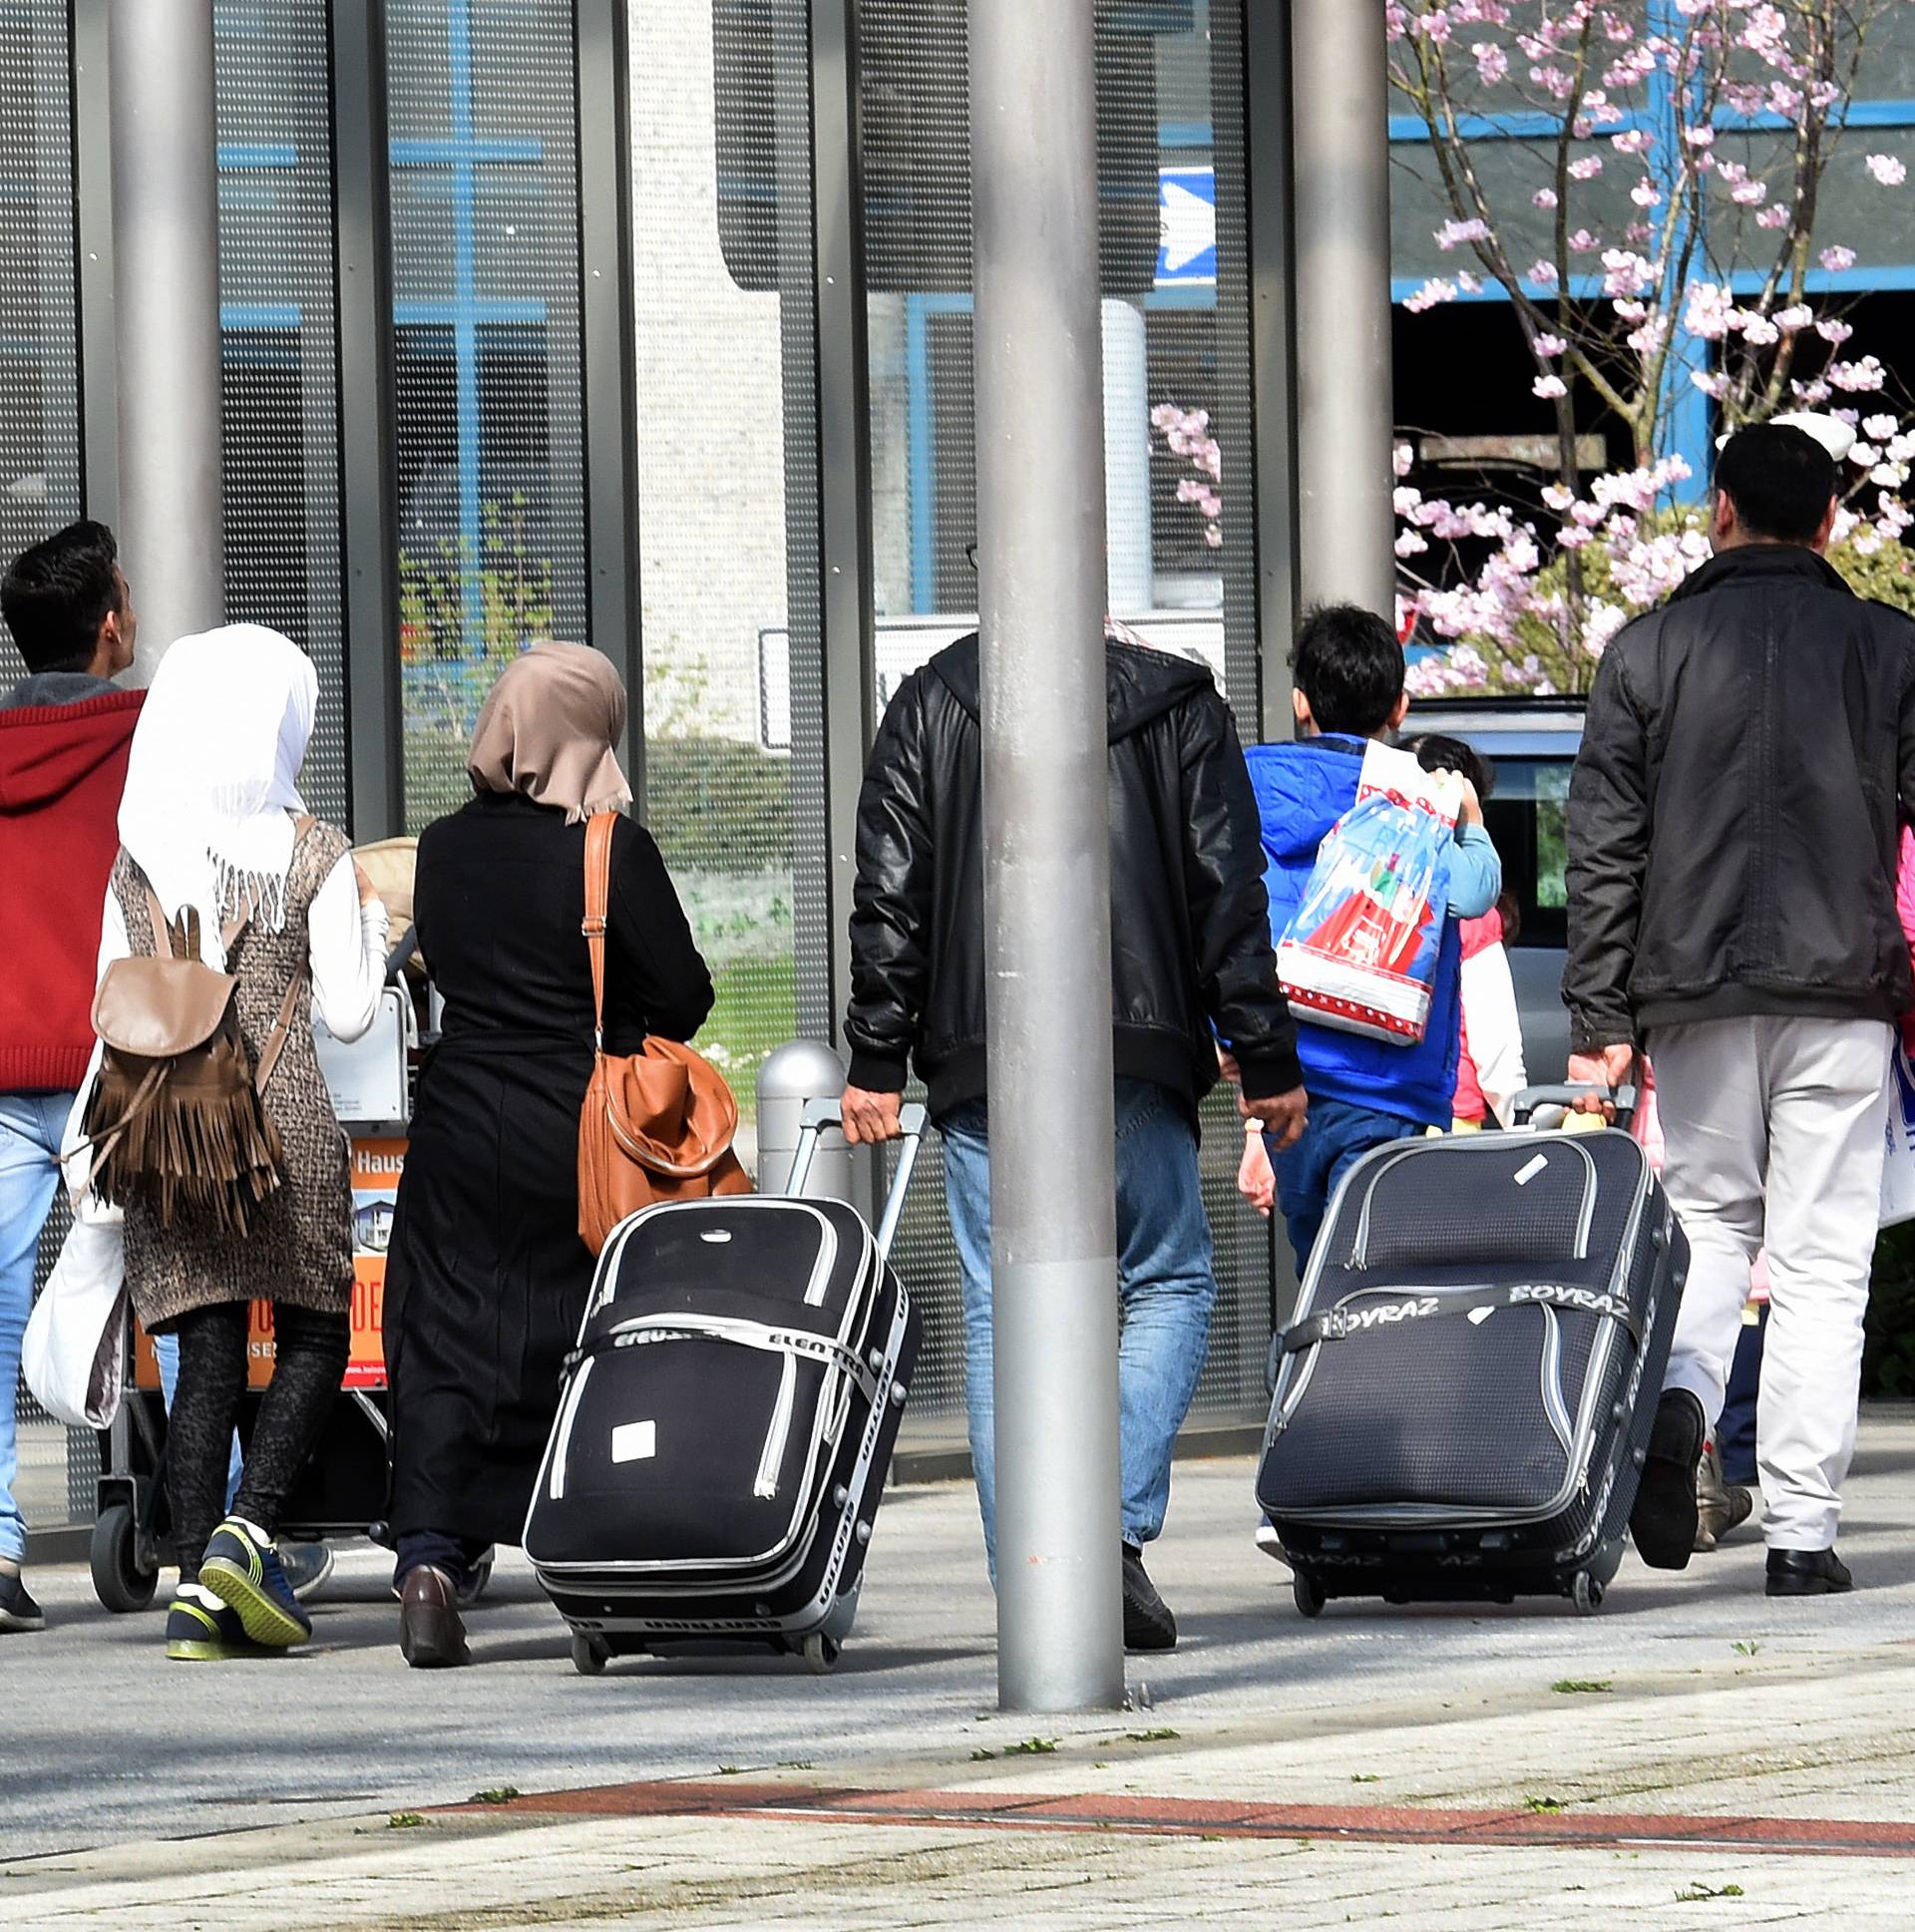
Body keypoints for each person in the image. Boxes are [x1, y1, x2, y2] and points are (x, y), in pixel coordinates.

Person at [838, 623, 1307, 1652]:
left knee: (1001, 1309)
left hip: (979, 1053)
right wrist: (1265, 1055)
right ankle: (1109, 1531)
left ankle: (1037, 1583)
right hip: (1130, 1044)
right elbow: (1227, 888)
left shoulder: (930, 698)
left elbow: (890, 887)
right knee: (1169, 1281)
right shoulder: (1179, 703)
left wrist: (877, 1053)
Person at [1565, 420, 1915, 1595]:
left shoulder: (1644, 651)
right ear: (1829, 523)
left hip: (1691, 990)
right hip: (1843, 989)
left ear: (1719, 511)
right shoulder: (1890, 648)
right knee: (1821, 1262)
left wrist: (1600, 1018)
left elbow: (1603, 846)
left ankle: (1679, 1406)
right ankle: (1802, 1535)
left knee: (1708, 1224)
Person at [383, 641, 713, 1669]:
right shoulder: (608, 850)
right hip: (574, 1132)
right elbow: (687, 997)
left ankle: (432, 1564)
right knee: (578, 1339)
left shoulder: (441, 845)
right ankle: (586, 1552)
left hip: (456, 1122)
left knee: (443, 1334)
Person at [102, 625, 390, 1659]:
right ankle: (249, 1527)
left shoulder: (136, 851)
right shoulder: (314, 849)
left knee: (206, 1340)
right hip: (287, 1122)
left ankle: (192, 1587)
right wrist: (371, 929)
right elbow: (353, 1014)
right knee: (315, 1332)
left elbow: (109, 1002)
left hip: (169, 1128)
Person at [1243, 607, 1503, 1276]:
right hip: (1392, 1086)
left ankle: (1302, 1379)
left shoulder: (1248, 787)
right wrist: (1469, 817)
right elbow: (1473, 891)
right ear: (1400, 705)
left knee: (1315, 1270)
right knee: (1371, 1289)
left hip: (1290, 1083)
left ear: (1300, 702)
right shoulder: (1418, 793)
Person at [0, 522, 142, 1633]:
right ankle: (218, 1528)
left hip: (3, 1069)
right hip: (120, 1065)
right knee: (184, 1291)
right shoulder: (149, 739)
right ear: (108, 625)